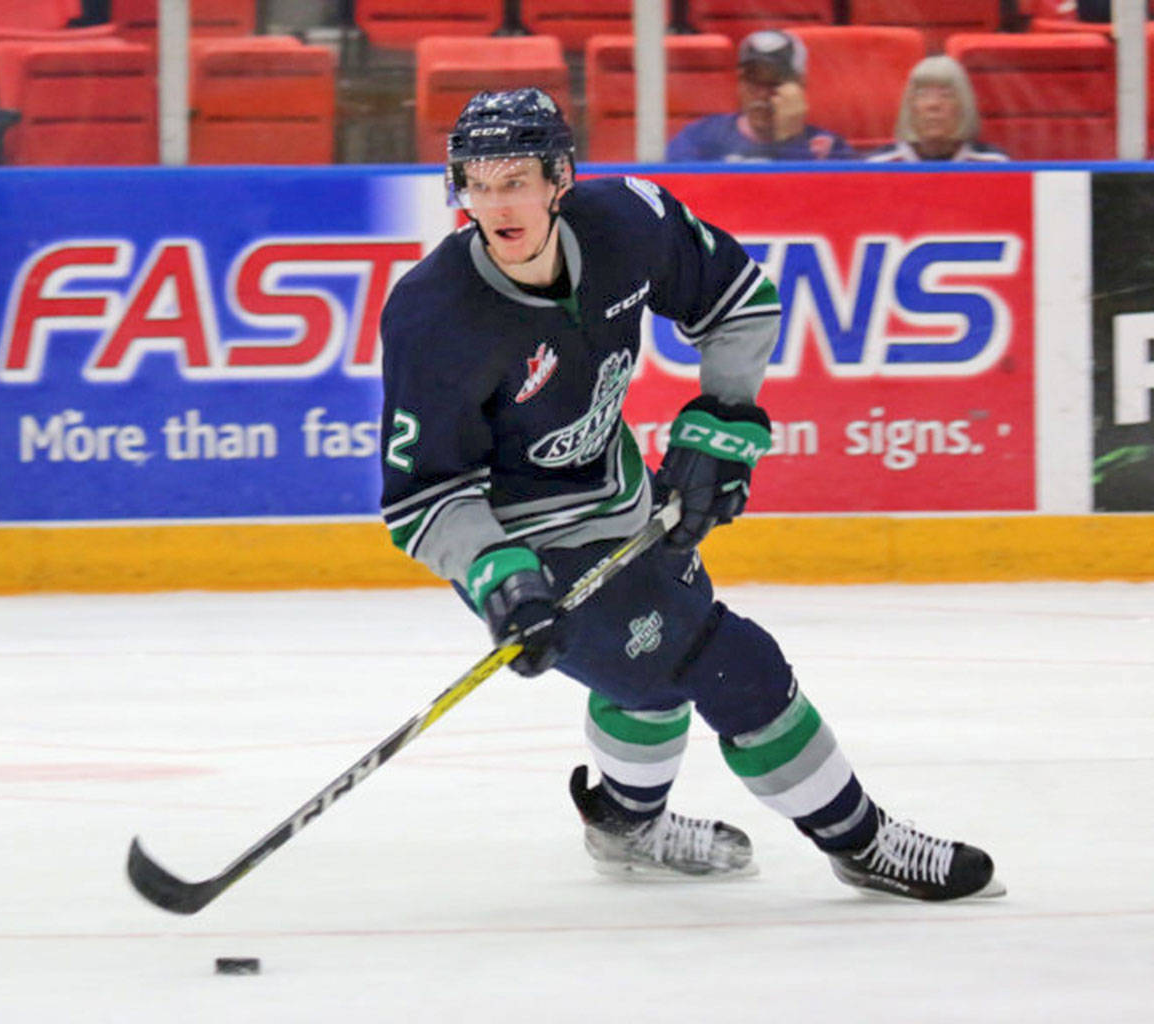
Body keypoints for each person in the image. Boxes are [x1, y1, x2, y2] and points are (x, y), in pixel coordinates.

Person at [378, 86, 1004, 901]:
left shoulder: (628, 221)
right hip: (522, 541)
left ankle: (626, 825)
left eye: (517, 179)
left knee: (648, 677)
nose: (498, 202)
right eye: (478, 182)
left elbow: (740, 300)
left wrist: (721, 424)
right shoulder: (432, 315)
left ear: (560, 178)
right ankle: (864, 842)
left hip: (622, 495)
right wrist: (504, 578)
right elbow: (425, 498)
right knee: (731, 665)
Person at [666, 30, 853, 162]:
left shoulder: (828, 149)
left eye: (775, 82)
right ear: (739, 82)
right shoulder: (701, 139)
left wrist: (791, 142)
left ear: (799, 86)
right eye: (753, 80)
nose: (763, 94)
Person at [867, 56, 1010, 164]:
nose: (933, 104)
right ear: (909, 107)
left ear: (964, 107)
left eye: (946, 95)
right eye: (922, 94)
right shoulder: (880, 165)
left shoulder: (992, 164)